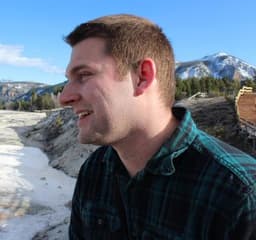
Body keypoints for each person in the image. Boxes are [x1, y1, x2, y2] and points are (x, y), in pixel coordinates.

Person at [59, 14, 256, 240]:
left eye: (84, 75)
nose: (64, 97)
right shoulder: (94, 171)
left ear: (143, 76)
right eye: (67, 80)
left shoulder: (241, 194)